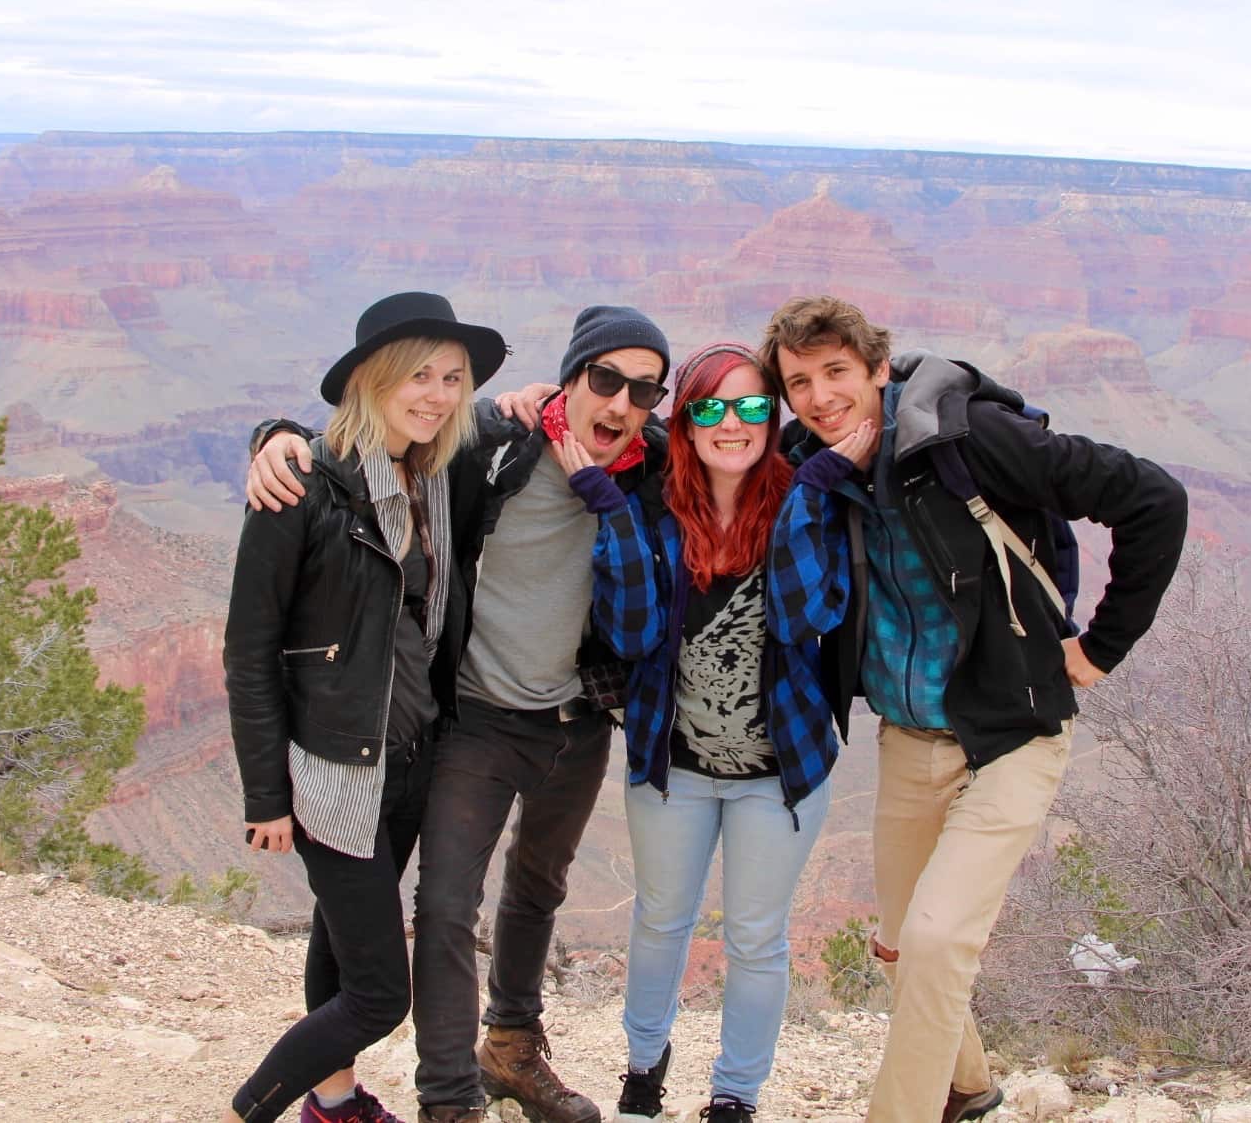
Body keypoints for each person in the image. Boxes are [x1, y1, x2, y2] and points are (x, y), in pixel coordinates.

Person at [761, 296, 1188, 1123]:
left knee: (935, 940)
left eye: (837, 373)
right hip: (909, 733)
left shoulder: (965, 441)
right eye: (799, 383)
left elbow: (1153, 499)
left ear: (879, 368)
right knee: (897, 946)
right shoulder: (808, 464)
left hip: (1014, 730)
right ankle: (968, 1086)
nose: (818, 397)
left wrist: (1100, 648)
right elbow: (706, 460)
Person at [247, 306, 673, 1123]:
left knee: (538, 891)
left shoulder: (651, 465)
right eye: (605, 379)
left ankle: (509, 1052)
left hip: (578, 721)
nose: (620, 403)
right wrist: (276, 436)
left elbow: (762, 450)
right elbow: (383, 431)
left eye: (644, 389)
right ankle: (449, 1101)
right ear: (573, 376)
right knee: (444, 906)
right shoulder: (496, 443)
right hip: (477, 718)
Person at [551, 343, 856, 1123]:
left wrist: (808, 491)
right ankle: (645, 1067)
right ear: (683, 422)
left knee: (756, 939)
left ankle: (734, 1095)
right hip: (671, 765)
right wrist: (610, 513)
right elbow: (628, 633)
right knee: (660, 919)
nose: (734, 423)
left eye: (754, 407)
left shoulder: (810, 501)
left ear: (773, 420)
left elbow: (803, 617)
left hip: (778, 772)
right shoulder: (652, 510)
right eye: (712, 406)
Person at [221, 291, 503, 1123]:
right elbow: (249, 651)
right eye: (418, 374)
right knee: (381, 995)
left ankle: (334, 1104)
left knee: (338, 946)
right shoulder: (304, 484)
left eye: (453, 378)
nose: (438, 394)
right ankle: (249, 1108)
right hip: (334, 770)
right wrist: (265, 797)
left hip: (413, 762)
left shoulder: (437, 473)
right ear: (372, 379)